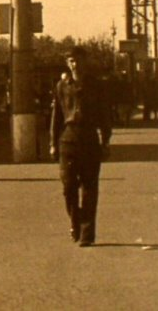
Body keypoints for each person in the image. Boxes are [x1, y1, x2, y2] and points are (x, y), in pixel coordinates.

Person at [49, 46, 112, 246]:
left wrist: (105, 140)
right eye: (71, 61)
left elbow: (104, 114)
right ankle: (75, 219)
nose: (75, 64)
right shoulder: (61, 86)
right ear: (68, 63)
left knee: (90, 188)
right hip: (68, 139)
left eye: (78, 60)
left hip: (89, 138)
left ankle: (87, 233)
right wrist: (52, 143)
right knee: (68, 187)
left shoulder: (97, 86)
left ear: (85, 62)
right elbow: (56, 117)